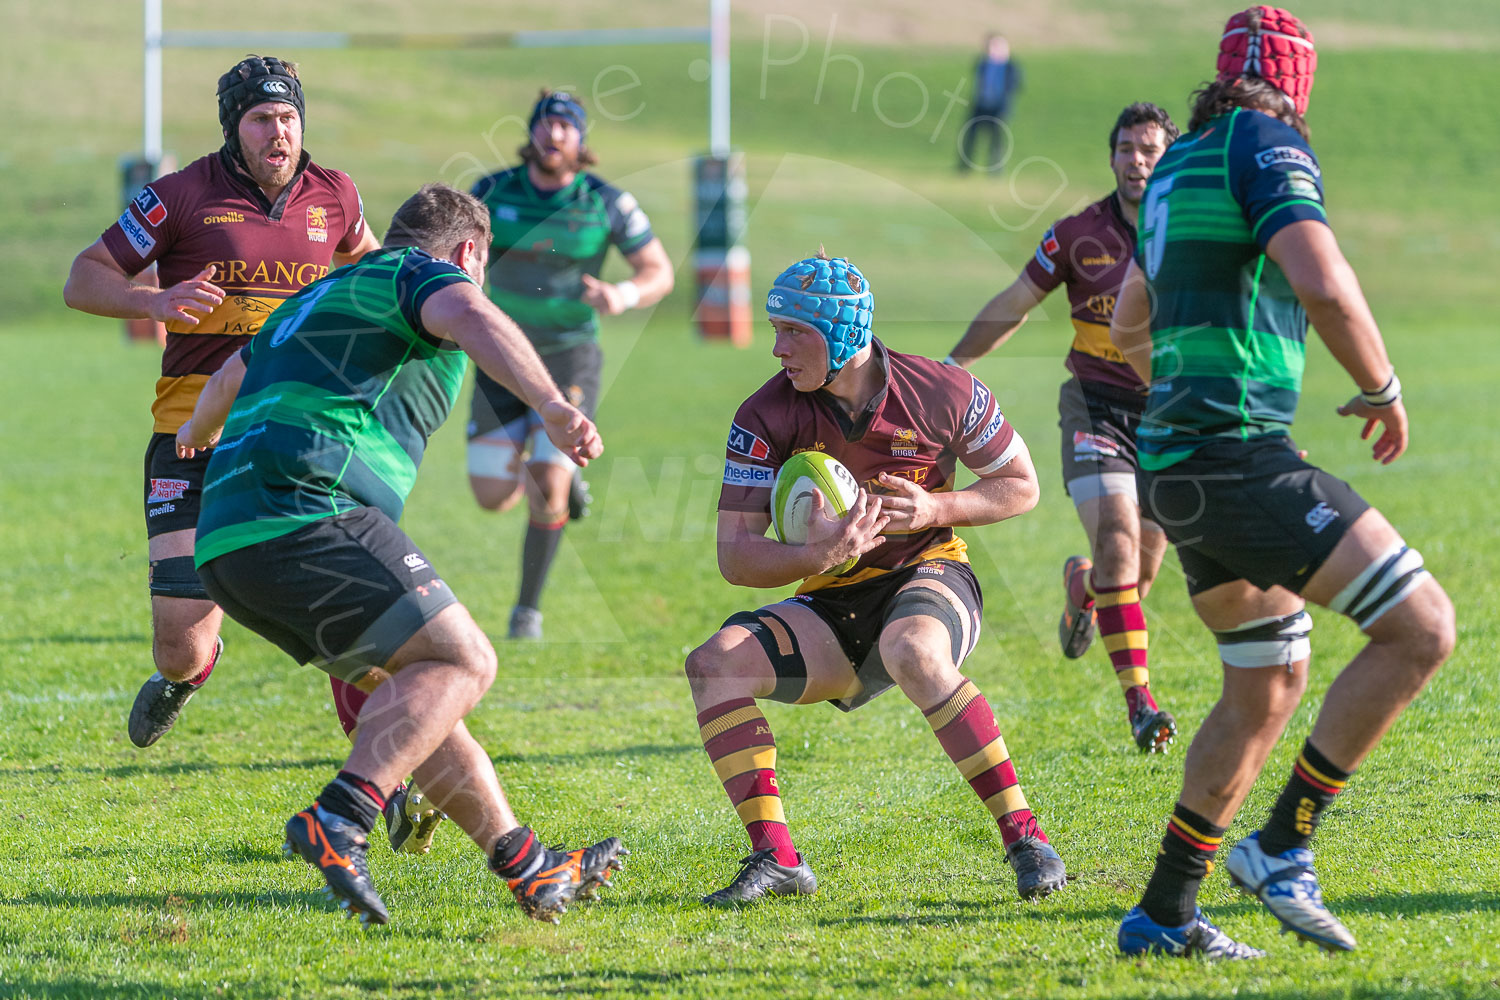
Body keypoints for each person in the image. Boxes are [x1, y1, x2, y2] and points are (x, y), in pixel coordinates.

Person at [174, 183, 627, 925]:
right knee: (465, 662)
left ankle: (528, 866)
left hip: (226, 538)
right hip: (309, 505)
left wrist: (195, 436)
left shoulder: (314, 296)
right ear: (468, 252)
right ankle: (341, 816)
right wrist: (550, 405)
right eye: (472, 267)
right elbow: (475, 314)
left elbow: (224, 382)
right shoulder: (421, 274)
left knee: (419, 699)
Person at [1110, 7, 1454, 959]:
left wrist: (1181, 392)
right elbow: (1325, 281)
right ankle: (1283, 845)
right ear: (1297, 89)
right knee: (1422, 627)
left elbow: (1131, 320)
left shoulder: (1178, 163)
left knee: (1265, 685)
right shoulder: (1266, 145)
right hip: (1236, 458)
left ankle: (1165, 913)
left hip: (1175, 468)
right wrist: (1381, 387)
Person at [684, 251, 1068, 906]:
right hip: (831, 604)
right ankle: (776, 859)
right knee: (713, 664)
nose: (776, 348)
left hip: (930, 572)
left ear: (842, 335)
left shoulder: (944, 391)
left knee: (913, 650)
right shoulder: (764, 416)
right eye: (776, 329)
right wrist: (819, 556)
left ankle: (1025, 835)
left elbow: (1021, 486)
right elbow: (735, 555)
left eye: (794, 332)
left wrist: (935, 508)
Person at [62, 55, 380, 747]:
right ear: (234, 127)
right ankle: (188, 676)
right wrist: (155, 299)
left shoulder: (339, 197)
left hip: (294, 438)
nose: (279, 133)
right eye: (262, 119)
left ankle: (389, 754)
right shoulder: (176, 195)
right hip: (190, 436)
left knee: (342, 600)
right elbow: (83, 278)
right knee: (180, 646)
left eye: (289, 118)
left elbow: (371, 277)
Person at [944, 103, 1180, 754]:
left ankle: (1083, 589)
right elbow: (1015, 302)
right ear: (1111, 157)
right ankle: (1141, 704)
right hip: (1096, 404)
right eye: (1126, 147)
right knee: (1119, 540)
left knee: (1131, 577)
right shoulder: (1078, 233)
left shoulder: (1189, 232)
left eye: (1150, 149)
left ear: (1169, 159)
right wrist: (955, 368)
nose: (1137, 159)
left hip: (1166, 414)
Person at [465, 90, 674, 640]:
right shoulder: (490, 191)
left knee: (546, 486)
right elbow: (450, 250)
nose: (554, 134)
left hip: (570, 355)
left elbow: (658, 269)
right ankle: (551, 477)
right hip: (499, 353)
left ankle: (525, 612)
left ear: (580, 140)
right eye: (546, 124)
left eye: (565, 126)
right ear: (531, 133)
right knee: (490, 496)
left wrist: (622, 294)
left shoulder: (606, 201)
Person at [959, 34, 1022, 173]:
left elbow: (1016, 85)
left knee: (997, 139)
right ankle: (965, 166)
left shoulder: (1011, 66)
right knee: (970, 135)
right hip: (980, 105)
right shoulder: (983, 63)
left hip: (999, 107)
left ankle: (995, 168)